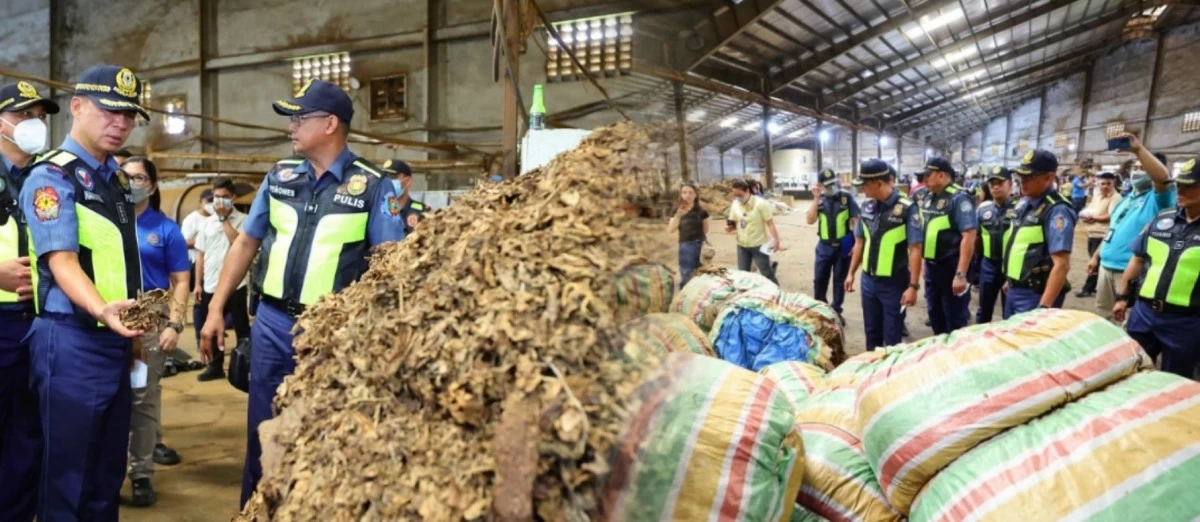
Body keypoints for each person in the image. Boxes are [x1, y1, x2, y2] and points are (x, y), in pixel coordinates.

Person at [198, 79, 405, 506]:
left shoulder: (372, 186)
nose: (290, 126)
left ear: (330, 124)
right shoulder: (281, 176)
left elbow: (390, 263)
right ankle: (257, 510)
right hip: (272, 326)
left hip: (332, 335)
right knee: (263, 430)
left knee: (324, 433)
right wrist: (216, 308)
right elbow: (246, 242)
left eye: (299, 118)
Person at [19, 64, 149, 521]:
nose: (121, 123)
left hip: (114, 338)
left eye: (128, 115)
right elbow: (61, 260)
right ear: (77, 106)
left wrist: (131, 331)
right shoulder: (52, 176)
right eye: (110, 111)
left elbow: (123, 260)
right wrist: (101, 310)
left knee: (106, 473)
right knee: (68, 478)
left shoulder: (117, 179)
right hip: (71, 340)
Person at [0, 81, 57, 522]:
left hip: (40, 323)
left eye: (39, 116)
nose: (34, 124)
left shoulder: (52, 177)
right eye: (23, 115)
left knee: (30, 434)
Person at [123, 156, 189, 506]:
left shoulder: (165, 230)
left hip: (149, 322)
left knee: (142, 399)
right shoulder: (108, 221)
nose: (132, 183)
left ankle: (141, 474)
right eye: (125, 177)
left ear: (151, 185)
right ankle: (107, 472)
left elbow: (181, 281)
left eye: (139, 177)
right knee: (107, 397)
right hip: (107, 319)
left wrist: (174, 325)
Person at [1112, 156, 1200, 378]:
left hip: (1186, 322)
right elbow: (1138, 258)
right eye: (1179, 184)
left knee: (1175, 380)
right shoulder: (1162, 219)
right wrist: (1122, 297)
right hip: (1144, 314)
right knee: (1129, 372)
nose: (1180, 190)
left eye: (1189, 186)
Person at [1087, 136, 1176, 320]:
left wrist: (1138, 150)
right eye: (1135, 168)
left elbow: (1162, 179)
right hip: (1106, 266)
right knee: (1104, 317)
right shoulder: (1127, 198)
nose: (1137, 172)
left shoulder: (1159, 198)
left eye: (1143, 168)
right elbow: (1113, 229)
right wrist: (1096, 256)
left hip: (1129, 272)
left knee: (1125, 321)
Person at [844, 159, 922, 351]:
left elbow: (915, 249)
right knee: (871, 333)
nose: (862, 188)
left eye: (865, 184)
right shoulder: (867, 206)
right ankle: (872, 366)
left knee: (893, 336)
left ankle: (891, 369)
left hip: (894, 283)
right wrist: (851, 273)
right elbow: (860, 242)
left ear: (879, 183)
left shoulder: (907, 209)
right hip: (868, 281)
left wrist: (913, 286)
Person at [1002, 150, 1076, 317]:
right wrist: (1011, 279)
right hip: (1015, 288)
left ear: (1049, 177)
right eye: (1021, 176)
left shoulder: (1057, 210)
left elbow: (1062, 264)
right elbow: (1020, 246)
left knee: (1028, 333)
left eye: (1029, 177)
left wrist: (1043, 308)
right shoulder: (1024, 204)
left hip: (1036, 293)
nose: (1022, 182)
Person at [194, 178, 251, 382]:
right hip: (211, 283)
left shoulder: (244, 221)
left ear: (233, 198)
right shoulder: (206, 223)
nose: (220, 201)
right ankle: (215, 365)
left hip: (236, 284)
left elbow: (239, 243)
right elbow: (201, 255)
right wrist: (198, 284)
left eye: (225, 197)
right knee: (211, 325)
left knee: (241, 327)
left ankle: (246, 365)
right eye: (217, 197)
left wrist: (224, 220)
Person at [918, 157, 977, 334]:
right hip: (932, 268)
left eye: (928, 175)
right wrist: (924, 262)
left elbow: (969, 236)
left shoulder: (959, 198)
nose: (924, 180)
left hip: (951, 267)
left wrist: (960, 274)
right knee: (935, 315)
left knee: (954, 319)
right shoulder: (929, 197)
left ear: (942, 175)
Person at [805, 168, 858, 321]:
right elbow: (810, 220)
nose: (831, 187)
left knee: (839, 281)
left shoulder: (846, 197)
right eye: (827, 185)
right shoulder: (819, 200)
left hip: (844, 245)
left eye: (833, 183)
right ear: (820, 185)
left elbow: (855, 220)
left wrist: (855, 242)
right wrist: (815, 199)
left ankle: (836, 312)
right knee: (819, 279)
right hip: (824, 246)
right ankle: (821, 310)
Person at [975, 167, 1016, 324]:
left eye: (1000, 183)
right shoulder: (982, 210)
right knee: (983, 310)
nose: (996, 187)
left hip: (1011, 268)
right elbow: (976, 239)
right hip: (988, 266)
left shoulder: (1020, 209)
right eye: (992, 184)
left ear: (1010, 185)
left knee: (1009, 313)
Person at [1075, 171, 1121, 298]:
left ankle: (1087, 288)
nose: (1105, 186)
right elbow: (1090, 210)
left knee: (1094, 262)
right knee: (1095, 261)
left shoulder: (1116, 197)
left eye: (1108, 184)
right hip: (1092, 234)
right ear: (1098, 184)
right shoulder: (1097, 195)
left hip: (1103, 235)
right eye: (1102, 183)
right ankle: (1095, 286)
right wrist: (1086, 216)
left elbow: (1112, 215)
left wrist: (1094, 218)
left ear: (1113, 184)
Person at [725, 179, 780, 284]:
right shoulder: (735, 204)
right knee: (743, 274)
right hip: (742, 245)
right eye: (735, 195)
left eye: (740, 195)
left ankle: (776, 290)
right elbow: (734, 221)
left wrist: (776, 240)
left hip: (759, 244)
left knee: (766, 272)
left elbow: (770, 223)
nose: (737, 198)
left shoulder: (761, 204)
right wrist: (729, 227)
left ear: (747, 191)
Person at [181, 189, 212, 338]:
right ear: (201, 202)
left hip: (214, 265)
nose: (212, 204)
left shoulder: (217, 218)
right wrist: (203, 242)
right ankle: (199, 336)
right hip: (196, 264)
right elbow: (183, 242)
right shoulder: (192, 219)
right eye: (209, 201)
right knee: (200, 301)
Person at [667, 183, 708, 288]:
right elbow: (671, 229)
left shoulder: (701, 211)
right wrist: (678, 216)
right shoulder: (677, 210)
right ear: (681, 195)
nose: (687, 195)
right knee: (687, 274)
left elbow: (705, 230)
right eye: (684, 192)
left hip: (700, 245)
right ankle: (684, 294)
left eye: (690, 192)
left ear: (696, 195)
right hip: (686, 246)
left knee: (701, 273)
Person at [381, 159, 426, 236]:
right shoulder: (376, 211)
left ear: (407, 181)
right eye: (385, 177)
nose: (387, 182)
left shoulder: (422, 212)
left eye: (392, 177)